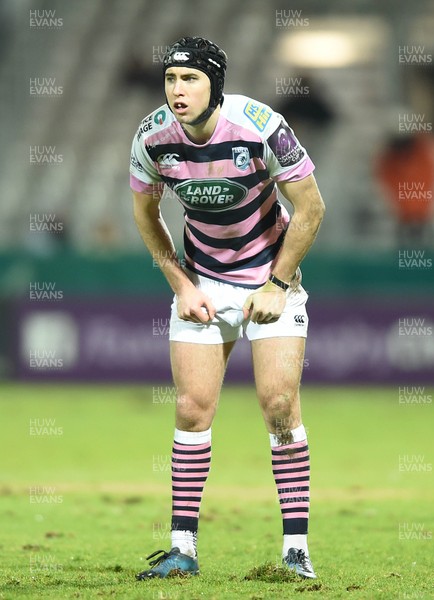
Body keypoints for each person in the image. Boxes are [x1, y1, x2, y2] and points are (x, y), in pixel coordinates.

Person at [129, 37, 325, 581]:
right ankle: (182, 549)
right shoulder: (152, 138)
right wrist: (180, 283)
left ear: (215, 83)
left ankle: (295, 551)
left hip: (269, 281)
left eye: (189, 79)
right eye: (170, 79)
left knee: (280, 404)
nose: (177, 90)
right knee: (192, 408)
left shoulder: (261, 125)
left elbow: (310, 206)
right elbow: (146, 213)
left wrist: (278, 283)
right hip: (204, 284)